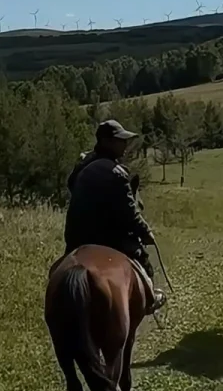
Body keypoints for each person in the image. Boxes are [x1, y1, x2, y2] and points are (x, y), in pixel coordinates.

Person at [63, 119, 165, 308]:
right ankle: (151, 298)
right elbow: (130, 213)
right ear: (106, 142)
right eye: (120, 140)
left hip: (75, 238)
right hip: (107, 239)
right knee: (141, 258)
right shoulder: (117, 172)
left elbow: (71, 185)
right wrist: (145, 232)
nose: (125, 145)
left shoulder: (83, 166)